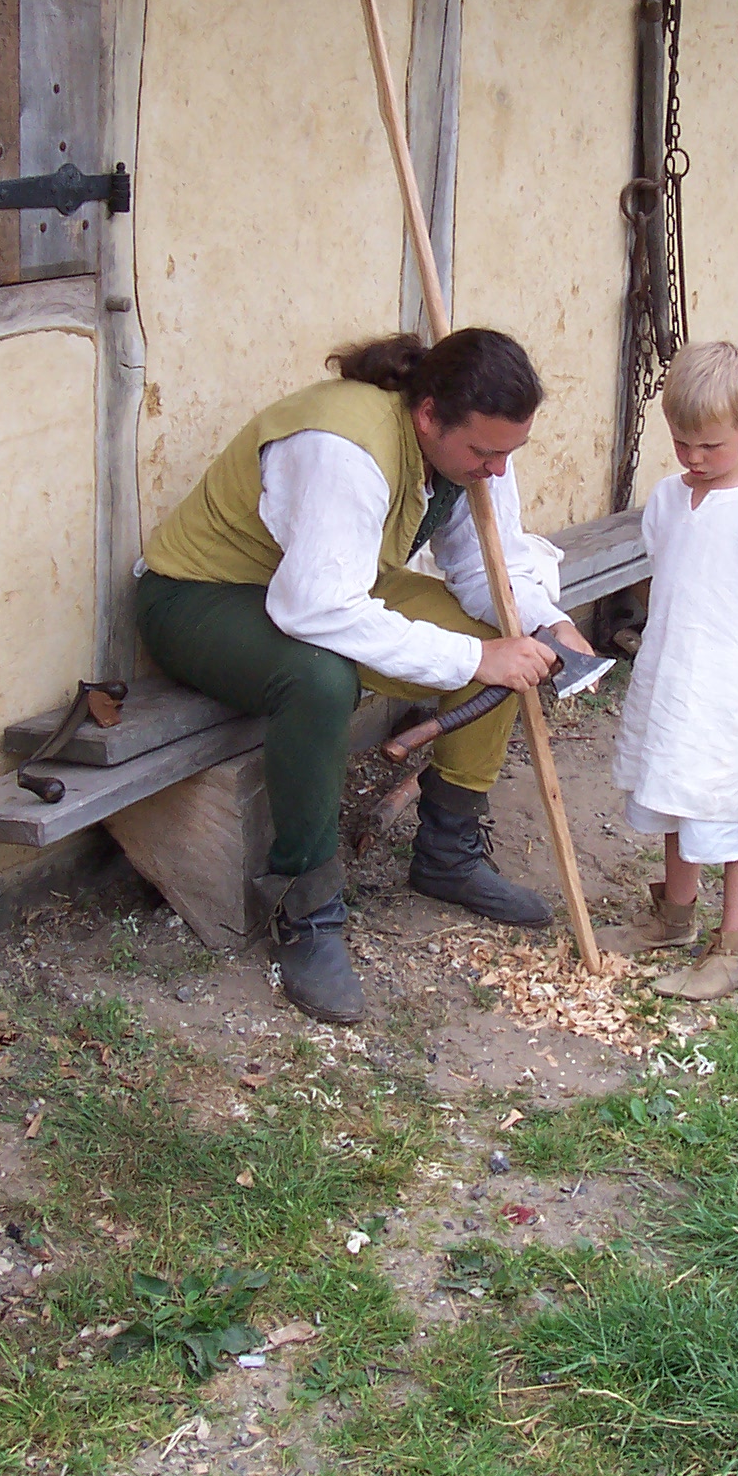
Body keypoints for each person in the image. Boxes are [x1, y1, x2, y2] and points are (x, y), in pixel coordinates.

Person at [135, 328, 592, 1025]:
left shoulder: (473, 451)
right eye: (484, 452)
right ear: (429, 414)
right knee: (318, 679)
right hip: (203, 595)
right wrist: (474, 662)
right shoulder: (344, 450)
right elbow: (312, 607)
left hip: (323, 585)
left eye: (509, 452)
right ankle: (307, 907)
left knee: (502, 632)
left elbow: (482, 571)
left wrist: (545, 620)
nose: (498, 470)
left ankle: (447, 849)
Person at [609, 340, 738, 1001]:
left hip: (728, 689)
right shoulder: (670, 500)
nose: (695, 460)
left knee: (731, 810)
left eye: (712, 448)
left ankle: (735, 944)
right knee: (674, 793)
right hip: (672, 676)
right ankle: (674, 914)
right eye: (683, 444)